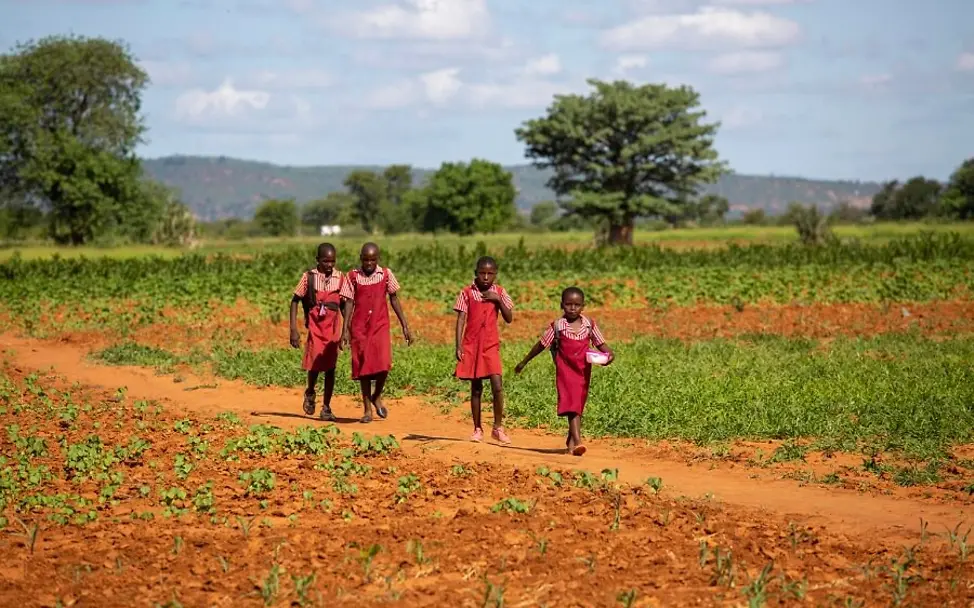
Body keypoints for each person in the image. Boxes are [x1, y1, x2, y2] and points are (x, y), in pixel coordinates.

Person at [514, 287, 614, 456]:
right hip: (565, 370)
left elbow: (602, 345)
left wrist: (609, 356)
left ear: (583, 306)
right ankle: (579, 442)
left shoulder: (589, 325)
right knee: (572, 405)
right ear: (562, 305)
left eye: (577, 305)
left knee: (578, 405)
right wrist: (524, 361)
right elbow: (541, 345)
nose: (572, 308)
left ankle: (570, 444)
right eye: (568, 304)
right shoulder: (558, 326)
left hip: (582, 371)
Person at [341, 242, 412, 423]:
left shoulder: (386, 274)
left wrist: (404, 325)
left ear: (377, 259)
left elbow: (394, 299)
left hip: (380, 325)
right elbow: (349, 303)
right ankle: (366, 410)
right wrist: (345, 331)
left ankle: (376, 395)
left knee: (384, 364)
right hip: (360, 327)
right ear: (361, 259)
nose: (369, 263)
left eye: (373, 260)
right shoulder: (353, 277)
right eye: (366, 260)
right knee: (364, 368)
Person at [454, 256, 514, 444]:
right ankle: (477, 428)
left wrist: (497, 300)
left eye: (490, 274)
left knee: (497, 385)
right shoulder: (467, 293)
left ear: (495, 274)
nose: (486, 277)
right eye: (482, 273)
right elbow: (461, 319)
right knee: (476, 388)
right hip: (472, 344)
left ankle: (498, 427)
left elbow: (509, 317)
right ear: (476, 273)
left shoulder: (500, 292)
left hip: (490, 344)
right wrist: (458, 345)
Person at [289, 242, 349, 421]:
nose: (329, 265)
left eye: (332, 261)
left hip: (332, 328)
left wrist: (347, 330)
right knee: (314, 364)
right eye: (325, 261)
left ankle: (327, 407)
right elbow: (295, 301)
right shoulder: (309, 277)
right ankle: (310, 391)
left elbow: (345, 305)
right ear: (318, 260)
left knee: (330, 367)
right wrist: (293, 329)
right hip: (315, 326)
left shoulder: (340, 278)